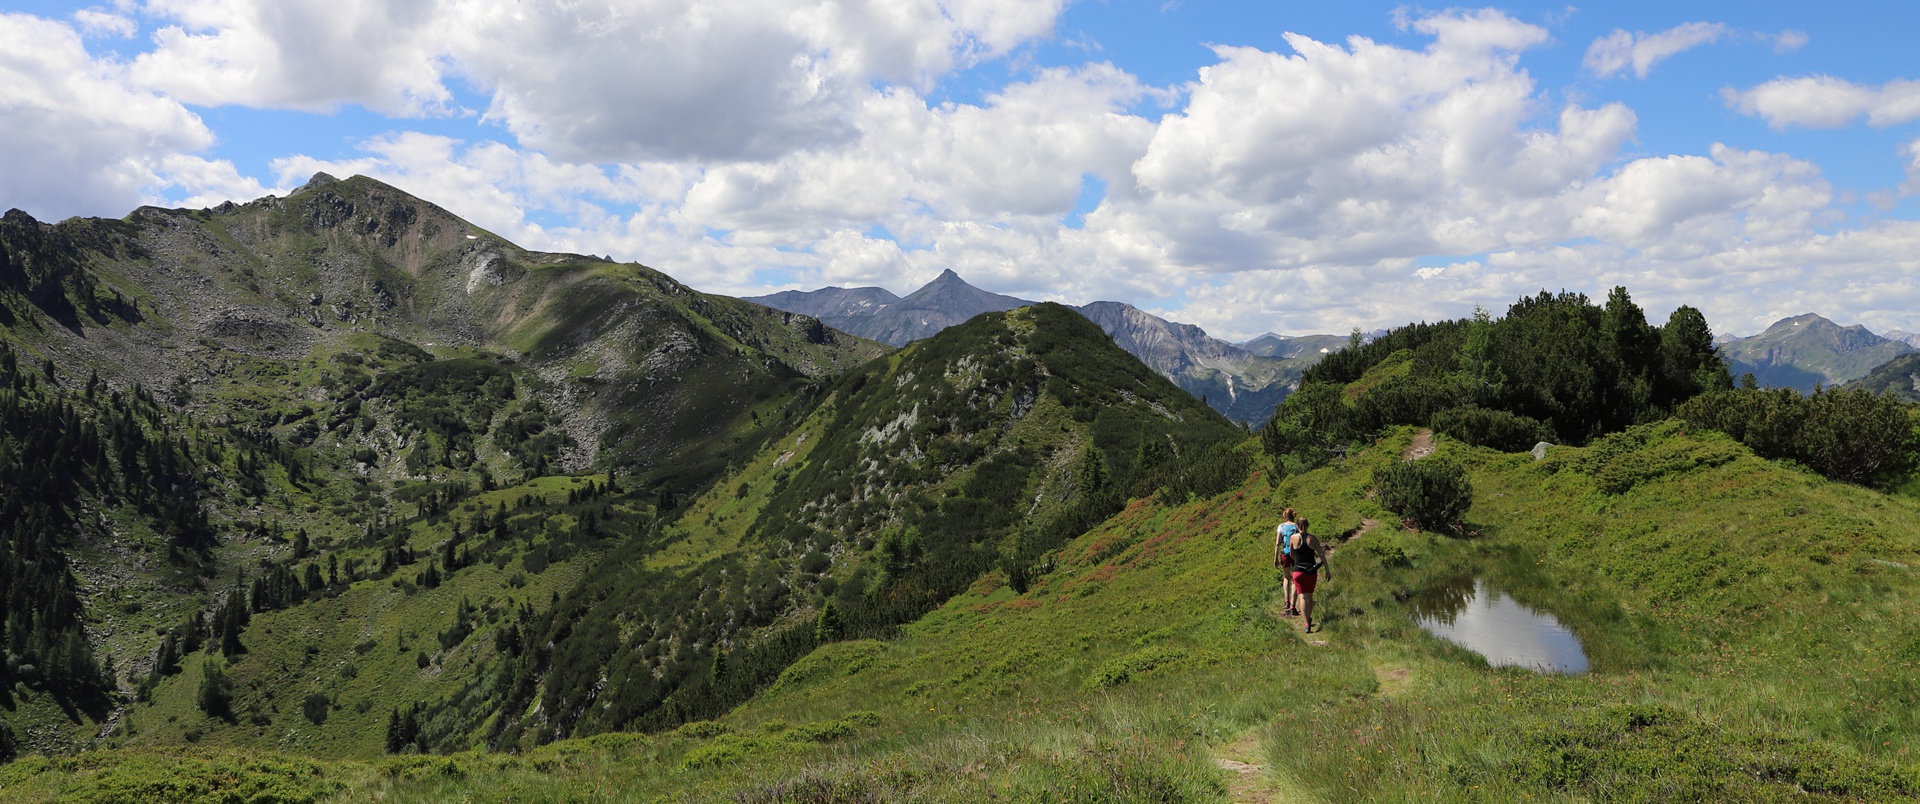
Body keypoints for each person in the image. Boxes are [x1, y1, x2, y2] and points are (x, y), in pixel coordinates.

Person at [1290, 517, 1331, 633]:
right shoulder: (1313, 539)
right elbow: (1321, 555)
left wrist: (1298, 560)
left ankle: (1307, 623)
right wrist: (1327, 570)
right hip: (1311, 570)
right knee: (1309, 596)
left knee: (1301, 596)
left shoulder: (1293, 538)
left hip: (1298, 571)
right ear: (1308, 525)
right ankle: (1308, 617)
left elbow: (1292, 555)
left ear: (1297, 526)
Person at [1272, 508, 1300, 616]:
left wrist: (1275, 558)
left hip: (1285, 554)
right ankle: (1293, 605)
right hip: (1296, 555)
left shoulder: (1281, 527)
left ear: (1285, 516)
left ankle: (1286, 600)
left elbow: (1277, 543)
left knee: (1286, 577)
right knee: (1295, 579)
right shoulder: (1296, 526)